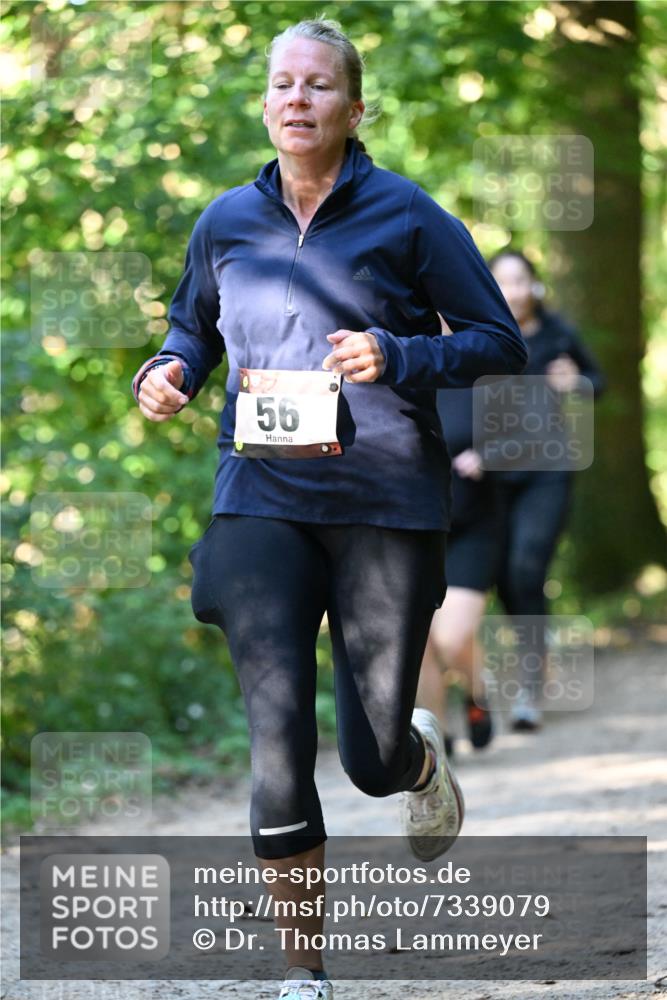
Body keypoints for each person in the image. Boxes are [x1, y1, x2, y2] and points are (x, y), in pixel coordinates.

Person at [132, 18, 527, 996]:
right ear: (265, 103)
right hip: (262, 490)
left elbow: (495, 341)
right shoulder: (226, 219)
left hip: (386, 500)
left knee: (369, 755)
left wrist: (400, 354)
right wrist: (172, 367)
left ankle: (416, 763)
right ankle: (303, 971)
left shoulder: (407, 215)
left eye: (317, 85)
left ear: (353, 109)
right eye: (282, 84)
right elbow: (194, 324)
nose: (296, 99)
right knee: (275, 728)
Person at [486, 250, 605, 731]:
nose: (512, 290)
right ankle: (535, 649)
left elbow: (600, 381)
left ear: (534, 286)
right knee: (504, 578)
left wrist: (575, 381)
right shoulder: (484, 333)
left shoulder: (558, 334)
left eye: (520, 280)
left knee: (526, 565)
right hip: (494, 472)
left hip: (547, 468)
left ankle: (529, 687)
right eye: (502, 282)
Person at [415, 373, 500, 757]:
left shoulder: (481, 369)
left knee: (450, 638)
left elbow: (534, 432)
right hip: (410, 529)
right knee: (418, 644)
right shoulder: (388, 370)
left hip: (473, 527)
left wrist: (491, 453)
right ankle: (437, 741)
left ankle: (476, 691)